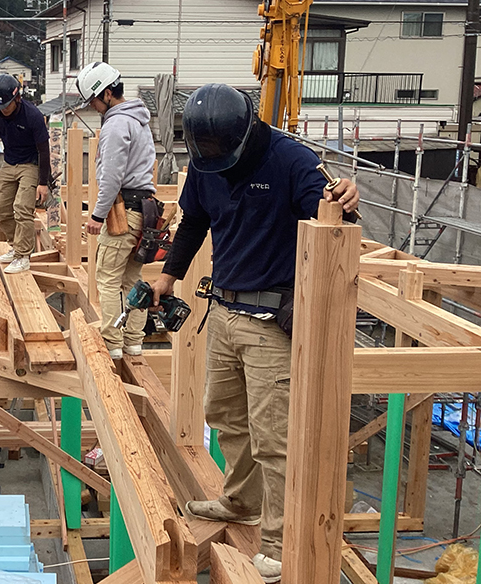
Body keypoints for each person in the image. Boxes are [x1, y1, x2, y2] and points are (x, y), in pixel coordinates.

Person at [150, 83, 359, 584]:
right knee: (224, 413)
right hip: (222, 309)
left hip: (272, 322)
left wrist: (346, 201)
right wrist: (168, 274)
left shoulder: (291, 161)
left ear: (247, 132)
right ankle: (241, 501)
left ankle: (282, 544)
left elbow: (334, 219)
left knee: (276, 436)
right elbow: (195, 222)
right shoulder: (204, 166)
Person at [76, 61, 157, 358]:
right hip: (145, 210)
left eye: (95, 100)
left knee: (107, 278)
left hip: (124, 210)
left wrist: (97, 215)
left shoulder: (116, 125)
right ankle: (133, 340)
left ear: (108, 93)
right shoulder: (139, 120)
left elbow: (111, 176)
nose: (94, 107)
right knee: (131, 279)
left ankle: (111, 342)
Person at [0, 75, 51, 274]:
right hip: (9, 162)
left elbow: (44, 150)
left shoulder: (32, 115)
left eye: (6, 106)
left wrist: (43, 182)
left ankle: (23, 255)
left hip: (30, 163)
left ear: (17, 98)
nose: (3, 111)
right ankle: (16, 246)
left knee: (22, 208)